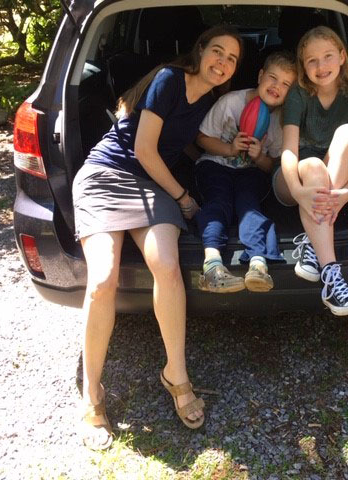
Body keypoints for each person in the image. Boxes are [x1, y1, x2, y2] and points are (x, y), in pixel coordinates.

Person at [72, 26, 243, 449]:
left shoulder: (207, 99)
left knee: (167, 267)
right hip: (109, 176)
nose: (221, 62)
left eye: (232, 59)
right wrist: (185, 197)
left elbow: (186, 140)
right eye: (216, 51)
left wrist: (234, 152)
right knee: (102, 281)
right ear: (199, 51)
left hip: (150, 185)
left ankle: (176, 376)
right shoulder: (169, 78)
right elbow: (147, 150)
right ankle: (93, 395)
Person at [272, 26, 348, 316]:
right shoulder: (299, 95)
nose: (321, 66)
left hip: (328, 183)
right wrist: (299, 192)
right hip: (290, 179)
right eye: (311, 60)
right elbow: (289, 151)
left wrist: (347, 193)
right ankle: (332, 275)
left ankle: (313, 244)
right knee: (313, 166)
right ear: (303, 66)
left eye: (327, 56)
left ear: (341, 57)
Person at [194, 51, 297, 293]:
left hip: (251, 172)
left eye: (285, 84)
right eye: (272, 78)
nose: (276, 87)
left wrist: (259, 156)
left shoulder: (282, 121)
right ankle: (212, 264)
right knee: (219, 201)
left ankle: (258, 264)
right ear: (260, 75)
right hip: (215, 164)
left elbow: (274, 166)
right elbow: (201, 138)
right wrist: (229, 149)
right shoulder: (231, 102)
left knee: (247, 204)